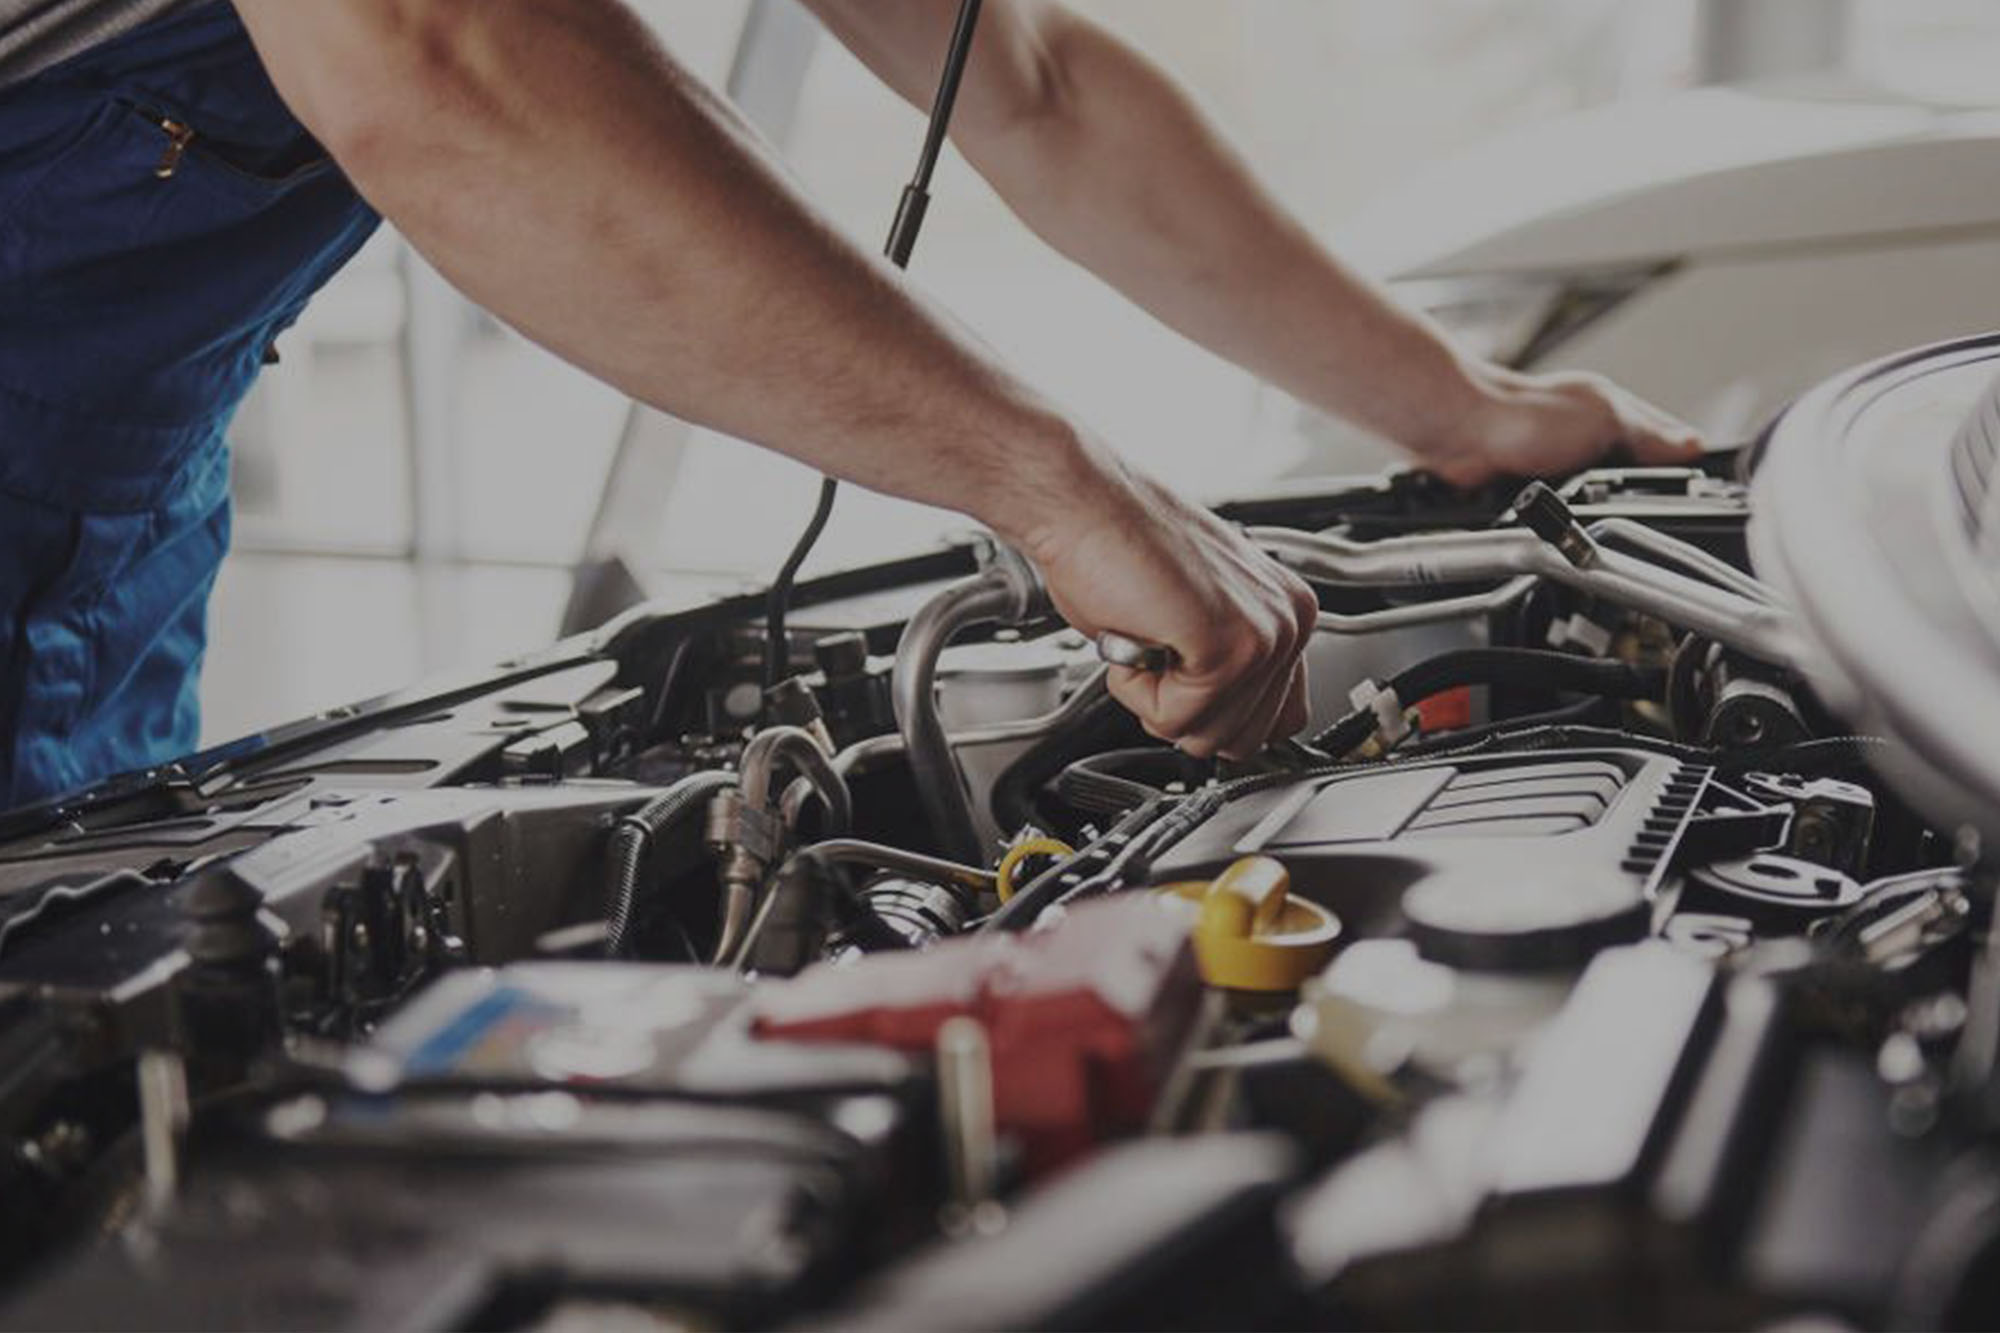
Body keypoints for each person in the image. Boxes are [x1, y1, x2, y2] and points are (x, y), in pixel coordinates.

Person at [0, 0, 1702, 807]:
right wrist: (1056, 486)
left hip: (106, 528)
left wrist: (1463, 409)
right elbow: (443, 58)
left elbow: (1029, 83)